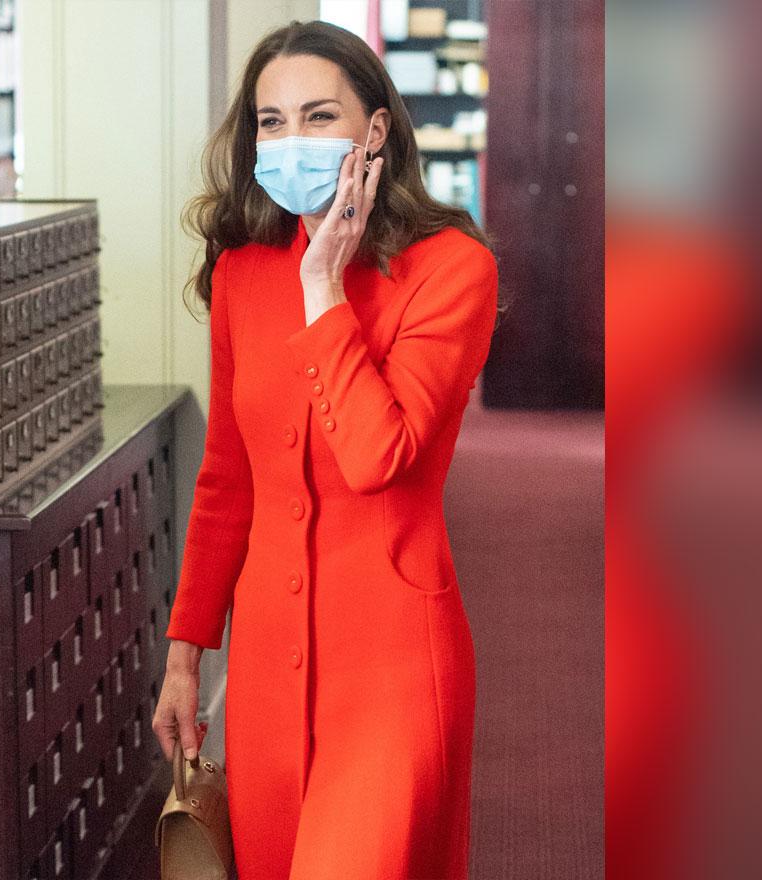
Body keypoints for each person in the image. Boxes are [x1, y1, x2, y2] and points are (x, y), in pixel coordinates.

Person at [152, 19, 501, 879]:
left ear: (374, 131)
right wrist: (186, 653)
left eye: (317, 117)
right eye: (271, 123)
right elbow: (228, 477)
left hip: (391, 665)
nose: (290, 140)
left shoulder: (451, 269)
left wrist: (322, 290)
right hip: (267, 660)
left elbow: (379, 456)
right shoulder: (242, 271)